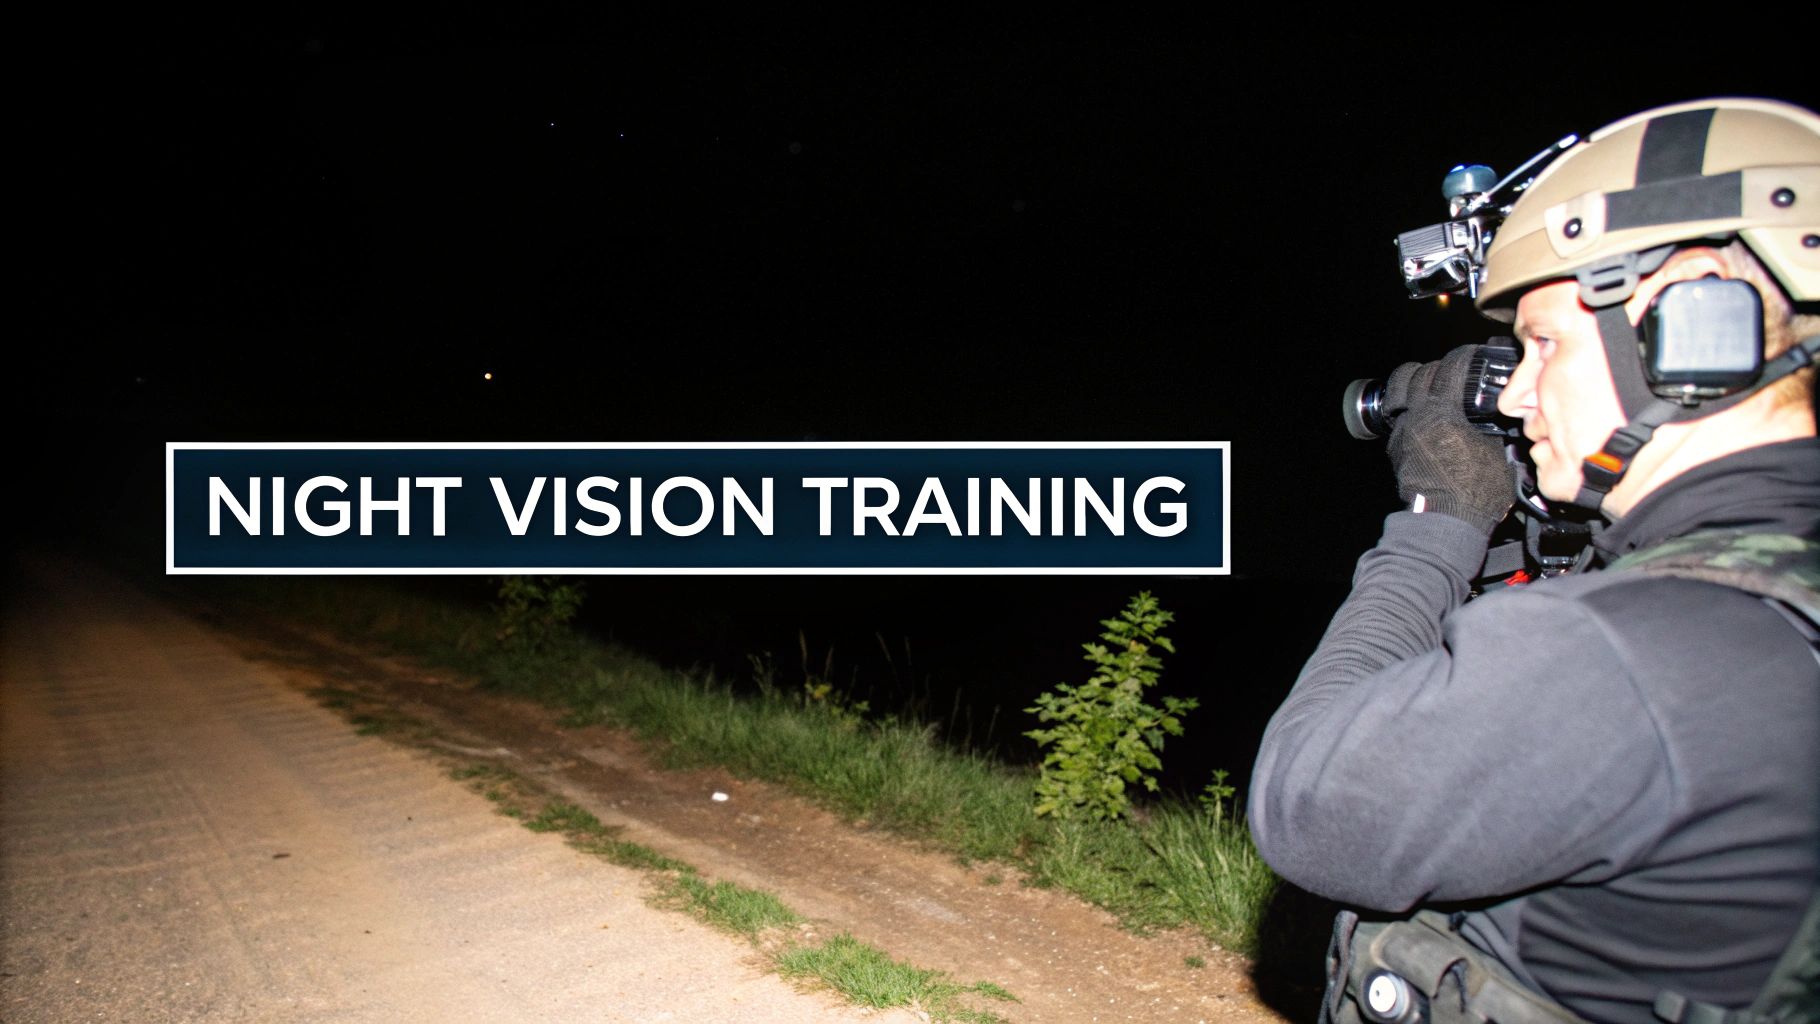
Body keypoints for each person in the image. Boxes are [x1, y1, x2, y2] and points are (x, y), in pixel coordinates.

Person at [1247, 98, 1820, 1024]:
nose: (1516, 393)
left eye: (1544, 342)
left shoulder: (1630, 653)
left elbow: (1308, 807)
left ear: (1695, 317)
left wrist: (1438, 519)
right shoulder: (1775, 594)